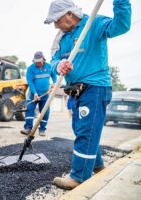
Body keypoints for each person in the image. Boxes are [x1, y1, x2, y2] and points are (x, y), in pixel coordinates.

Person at [45, 0, 131, 189]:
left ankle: (78, 176)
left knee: (86, 131)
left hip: (95, 87)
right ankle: (98, 165)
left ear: (68, 14)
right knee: (83, 129)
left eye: (56, 20)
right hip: (75, 90)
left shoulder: (95, 23)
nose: (55, 25)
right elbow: (53, 60)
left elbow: (122, 26)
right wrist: (58, 65)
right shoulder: (61, 38)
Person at [20, 51, 57, 136]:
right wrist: (35, 93)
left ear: (43, 59)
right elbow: (30, 82)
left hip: (45, 94)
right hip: (33, 94)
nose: (38, 63)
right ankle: (28, 128)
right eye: (36, 62)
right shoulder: (30, 69)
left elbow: (54, 75)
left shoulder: (49, 66)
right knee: (29, 109)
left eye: (39, 62)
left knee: (45, 112)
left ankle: (42, 129)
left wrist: (54, 83)